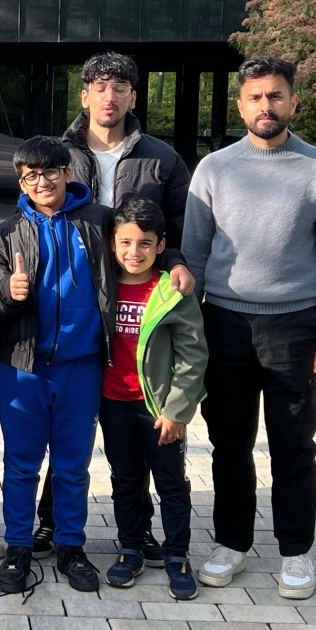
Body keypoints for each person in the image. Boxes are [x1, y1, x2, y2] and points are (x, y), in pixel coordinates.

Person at [181, 54, 316, 601]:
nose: (266, 106)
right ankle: (232, 542)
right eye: (255, 97)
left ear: (293, 102)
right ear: (240, 105)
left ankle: (296, 551)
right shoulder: (214, 169)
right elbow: (195, 255)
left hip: (296, 326)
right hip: (224, 322)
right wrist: (191, 330)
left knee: (294, 445)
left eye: (276, 96)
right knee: (229, 442)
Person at [34, 50, 195, 558]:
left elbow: (180, 225)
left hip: (134, 303)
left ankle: (139, 530)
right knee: (69, 429)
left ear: (132, 95)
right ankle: (50, 520)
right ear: (84, 95)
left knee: (136, 439)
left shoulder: (161, 157)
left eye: (120, 87)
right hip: (75, 303)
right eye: (100, 87)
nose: (110, 96)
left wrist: (177, 262)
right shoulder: (58, 153)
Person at [0, 136, 115, 596]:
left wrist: (176, 260)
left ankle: (70, 545)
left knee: (73, 464)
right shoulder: (3, 234)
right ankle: (19, 545)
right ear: (21, 180)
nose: (42, 182)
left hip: (81, 366)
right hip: (23, 366)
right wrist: (11, 293)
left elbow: (145, 250)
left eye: (51, 172)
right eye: (31, 175)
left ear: (67, 173)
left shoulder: (101, 222)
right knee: (21, 464)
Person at [99, 198, 208, 602]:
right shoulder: (104, 284)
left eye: (145, 243)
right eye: (125, 242)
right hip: (113, 403)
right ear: (113, 244)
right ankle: (130, 547)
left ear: (161, 245)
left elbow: (194, 356)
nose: (134, 252)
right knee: (126, 480)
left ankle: (178, 554)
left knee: (170, 484)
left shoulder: (172, 291)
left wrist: (178, 411)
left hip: (160, 409)